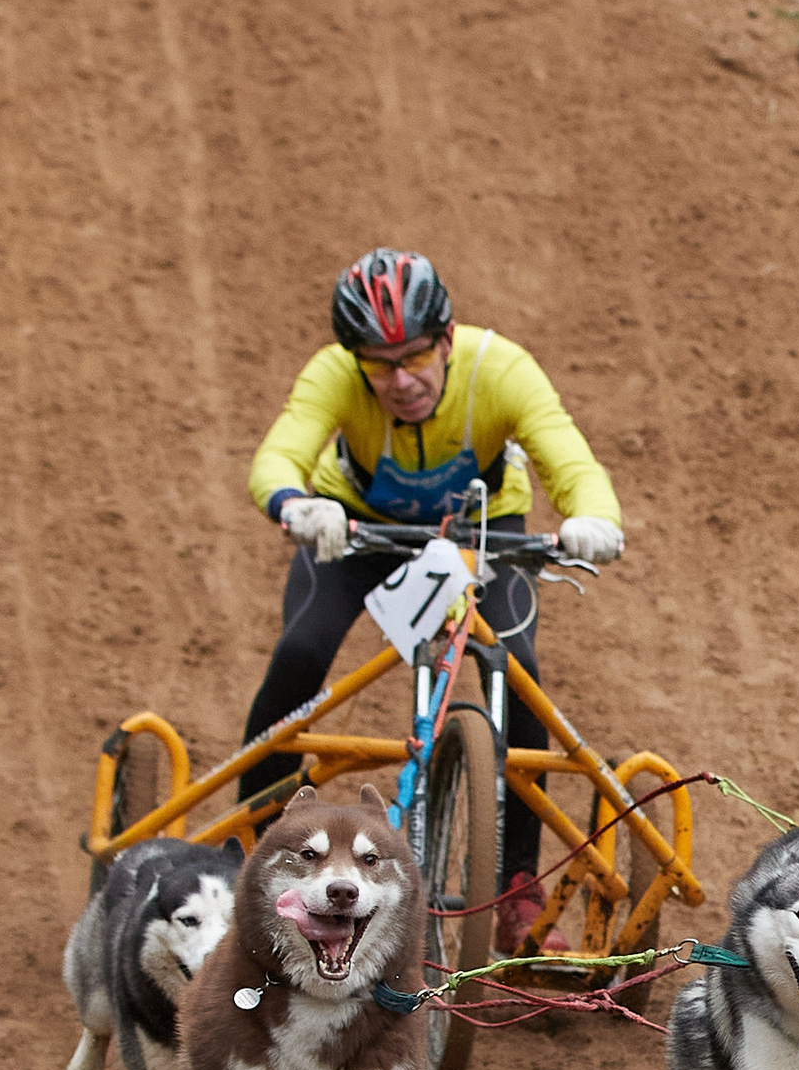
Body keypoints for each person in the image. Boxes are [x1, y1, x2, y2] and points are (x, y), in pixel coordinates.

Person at [240, 247, 627, 952]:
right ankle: (247, 854)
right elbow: (279, 455)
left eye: (416, 356)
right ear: (356, 360)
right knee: (301, 653)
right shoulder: (333, 373)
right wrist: (295, 502)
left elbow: (570, 459)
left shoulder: (500, 369)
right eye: (380, 364)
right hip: (358, 531)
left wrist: (593, 517)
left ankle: (518, 887)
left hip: (483, 534)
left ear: (447, 339)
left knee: (517, 671)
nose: (401, 380)